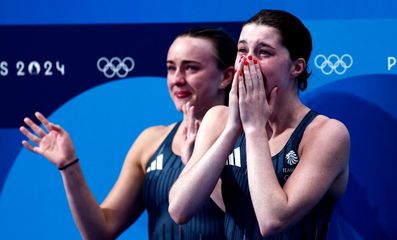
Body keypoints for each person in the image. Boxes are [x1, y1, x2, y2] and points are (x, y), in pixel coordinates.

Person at [19, 27, 236, 239]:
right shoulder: (150, 142)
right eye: (171, 68)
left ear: (226, 77)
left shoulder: (248, 141)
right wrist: (68, 165)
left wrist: (193, 166)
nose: (177, 79)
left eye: (191, 68)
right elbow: (101, 231)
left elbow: (257, 221)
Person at [169, 10, 350, 239]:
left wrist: (253, 129)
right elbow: (179, 210)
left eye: (263, 52)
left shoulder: (326, 134)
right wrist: (233, 128)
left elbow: (273, 220)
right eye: (242, 50)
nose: (247, 61)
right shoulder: (219, 120)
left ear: (297, 67)